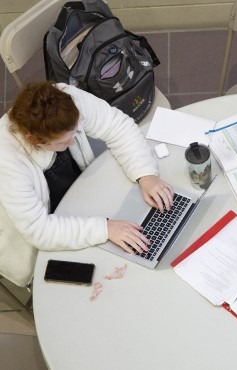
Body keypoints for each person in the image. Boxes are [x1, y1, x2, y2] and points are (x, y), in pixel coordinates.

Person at [0, 81, 174, 287]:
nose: (72, 143)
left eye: (74, 134)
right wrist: (105, 229)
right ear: (33, 140)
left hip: (79, 198)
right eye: (63, 142)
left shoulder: (65, 99)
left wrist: (145, 173)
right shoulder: (7, 162)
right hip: (36, 234)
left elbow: (117, 125)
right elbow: (39, 231)